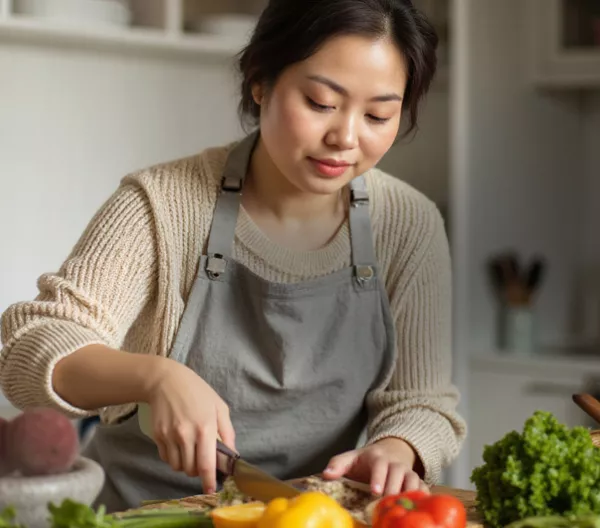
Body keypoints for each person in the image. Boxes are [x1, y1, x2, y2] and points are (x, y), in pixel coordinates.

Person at [0, 0, 466, 514]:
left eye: (379, 114)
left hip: (307, 519)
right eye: (320, 102)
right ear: (260, 82)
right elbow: (30, 344)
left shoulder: (408, 223)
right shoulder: (162, 203)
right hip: (139, 516)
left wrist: (397, 449)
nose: (346, 138)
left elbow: (422, 403)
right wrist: (155, 376)